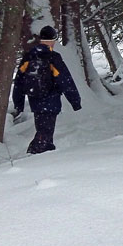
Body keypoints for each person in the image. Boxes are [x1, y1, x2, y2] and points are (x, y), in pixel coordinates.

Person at [12, 25, 82, 155]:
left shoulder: (28, 57)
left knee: (43, 129)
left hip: (35, 100)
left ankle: (47, 154)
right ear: (53, 40)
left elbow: (19, 82)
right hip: (51, 100)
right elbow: (65, 80)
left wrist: (18, 103)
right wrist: (75, 101)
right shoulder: (53, 57)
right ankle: (34, 154)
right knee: (45, 133)